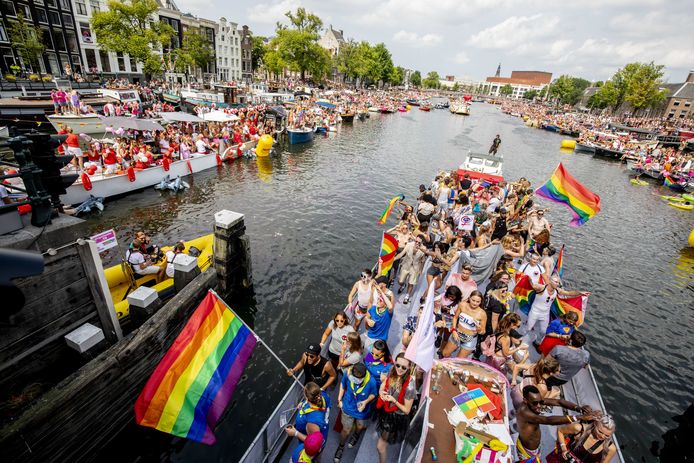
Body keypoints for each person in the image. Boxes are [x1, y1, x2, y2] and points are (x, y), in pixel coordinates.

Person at [516, 385, 595, 460]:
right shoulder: (524, 412)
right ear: (525, 400)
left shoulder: (534, 401)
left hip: (532, 447)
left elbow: (558, 402)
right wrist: (578, 417)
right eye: (535, 403)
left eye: (540, 402)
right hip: (527, 451)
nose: (539, 405)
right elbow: (548, 420)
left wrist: (579, 408)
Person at [526, 273, 587, 349]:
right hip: (535, 311)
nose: (558, 284)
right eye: (556, 282)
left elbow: (569, 293)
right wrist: (528, 279)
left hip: (545, 314)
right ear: (550, 281)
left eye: (558, 282)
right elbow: (532, 286)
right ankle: (519, 338)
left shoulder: (557, 290)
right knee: (528, 328)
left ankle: (537, 342)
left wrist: (580, 293)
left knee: (543, 332)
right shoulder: (541, 288)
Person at [374, 354, 416, 463]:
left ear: (409, 368)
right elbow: (384, 382)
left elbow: (406, 410)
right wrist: (381, 392)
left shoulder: (410, 387)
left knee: (380, 447)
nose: (399, 369)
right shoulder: (392, 370)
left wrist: (394, 400)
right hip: (386, 409)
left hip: (396, 416)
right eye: (398, 365)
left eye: (404, 367)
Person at [334, 363, 378, 462]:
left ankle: (356, 436)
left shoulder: (371, 381)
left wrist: (365, 402)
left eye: (358, 378)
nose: (355, 380)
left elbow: (373, 394)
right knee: (346, 430)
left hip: (362, 411)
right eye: (354, 377)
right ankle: (341, 447)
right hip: (348, 407)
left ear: (364, 375)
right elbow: (342, 385)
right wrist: (339, 399)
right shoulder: (347, 373)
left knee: (360, 426)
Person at [548, 414, 617, 463]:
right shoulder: (579, 428)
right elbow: (560, 430)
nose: (602, 436)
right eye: (600, 432)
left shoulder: (611, 448)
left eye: (607, 435)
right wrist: (563, 449)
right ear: (595, 424)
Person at [285, 382, 331, 454]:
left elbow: (313, 443)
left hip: (311, 445)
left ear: (307, 397)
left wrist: (295, 433)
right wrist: (303, 404)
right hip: (321, 429)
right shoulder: (322, 395)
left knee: (314, 457)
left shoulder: (312, 422)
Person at [441, 290, 486, 358]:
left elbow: (483, 331)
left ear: (481, 302)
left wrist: (479, 330)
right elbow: (455, 318)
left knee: (458, 362)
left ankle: (451, 368)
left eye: (478, 302)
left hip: (470, 339)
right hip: (457, 333)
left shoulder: (482, 314)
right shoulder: (462, 305)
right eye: (473, 300)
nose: (475, 303)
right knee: (445, 353)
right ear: (469, 298)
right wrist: (453, 330)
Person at [394, 237, 426, 304]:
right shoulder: (409, 245)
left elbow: (422, 260)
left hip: (415, 268)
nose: (417, 243)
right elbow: (401, 254)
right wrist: (393, 259)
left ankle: (407, 296)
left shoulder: (423, 249)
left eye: (419, 242)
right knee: (400, 281)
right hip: (406, 265)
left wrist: (421, 270)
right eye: (416, 241)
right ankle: (403, 285)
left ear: (422, 243)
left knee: (411, 283)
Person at [364, 280, 394, 349]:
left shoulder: (388, 313)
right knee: (366, 356)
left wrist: (380, 291)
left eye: (380, 300)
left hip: (381, 340)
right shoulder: (373, 308)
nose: (377, 301)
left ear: (386, 304)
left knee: (376, 358)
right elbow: (367, 317)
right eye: (378, 299)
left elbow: (390, 306)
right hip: (370, 336)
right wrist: (368, 320)